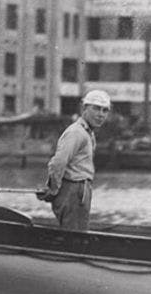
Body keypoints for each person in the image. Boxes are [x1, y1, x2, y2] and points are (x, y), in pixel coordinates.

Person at [37, 89, 111, 231]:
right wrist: (53, 189)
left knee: (78, 232)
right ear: (84, 108)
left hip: (80, 189)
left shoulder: (87, 133)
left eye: (105, 110)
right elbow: (58, 162)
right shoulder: (76, 132)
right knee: (74, 235)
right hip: (73, 189)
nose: (101, 114)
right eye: (96, 108)